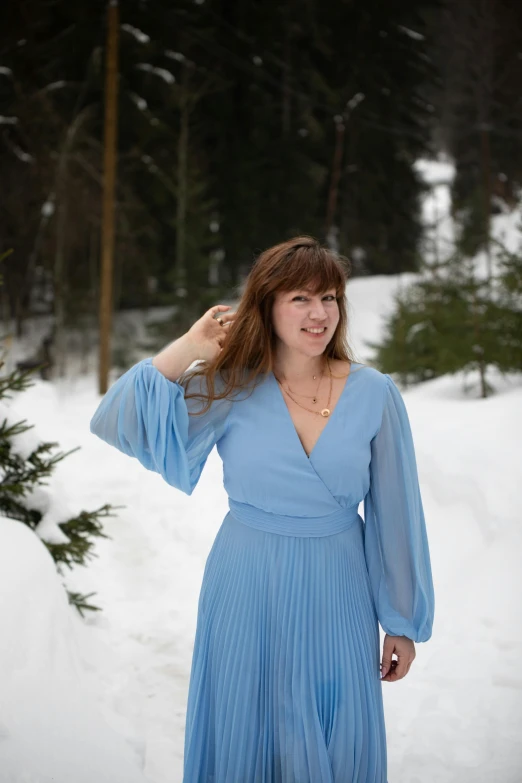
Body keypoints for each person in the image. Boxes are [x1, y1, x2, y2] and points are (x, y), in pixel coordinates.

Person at [90, 236, 435, 783]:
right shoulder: (230, 385)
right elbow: (117, 420)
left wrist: (401, 620)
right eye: (300, 298)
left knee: (334, 731)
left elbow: (398, 513)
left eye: (330, 297)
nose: (319, 313)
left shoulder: (375, 393)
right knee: (242, 726)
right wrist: (188, 346)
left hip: (337, 587)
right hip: (246, 582)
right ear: (267, 306)